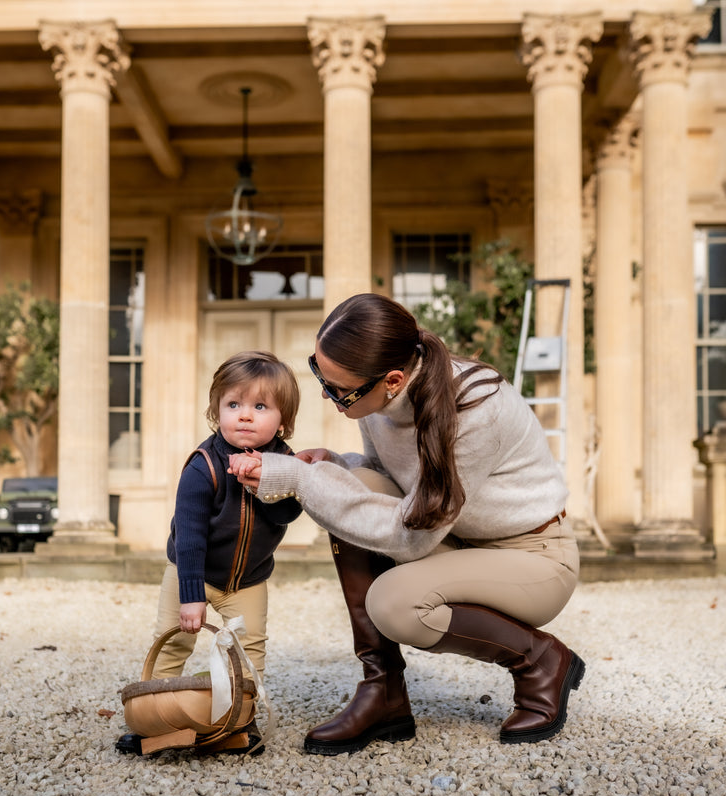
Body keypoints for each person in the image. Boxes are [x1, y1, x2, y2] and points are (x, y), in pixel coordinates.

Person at [230, 293, 583, 755]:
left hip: (531, 557)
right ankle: (384, 692)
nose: (325, 393)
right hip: (454, 537)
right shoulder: (378, 403)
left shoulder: (476, 408)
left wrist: (299, 479)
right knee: (347, 478)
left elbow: (410, 535)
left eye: (338, 388)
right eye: (319, 373)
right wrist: (334, 463)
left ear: (393, 379)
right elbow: (384, 476)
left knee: (395, 604)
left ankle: (541, 659)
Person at [116, 350, 302, 757]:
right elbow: (190, 535)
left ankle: (241, 720)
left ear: (283, 421)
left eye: (260, 406)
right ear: (216, 412)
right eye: (233, 404)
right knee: (173, 644)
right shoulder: (203, 466)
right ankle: (153, 718)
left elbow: (291, 509)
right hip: (193, 572)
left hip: (247, 580)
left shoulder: (285, 463)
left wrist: (263, 484)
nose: (245, 415)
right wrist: (191, 595)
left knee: (250, 649)